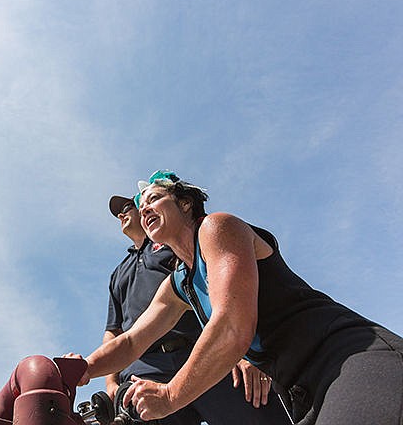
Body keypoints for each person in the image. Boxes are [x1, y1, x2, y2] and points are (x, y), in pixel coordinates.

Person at [72, 170, 403, 425]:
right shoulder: (179, 284)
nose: (145, 209)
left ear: (185, 203)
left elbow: (231, 325)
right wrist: (82, 369)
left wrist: (171, 394)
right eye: (142, 206)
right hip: (298, 390)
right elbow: (131, 343)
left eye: (155, 199)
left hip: (348, 357)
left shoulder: (217, 228)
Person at [103, 194, 290, 424]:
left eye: (128, 206)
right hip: (146, 366)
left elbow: (232, 288)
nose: (124, 214)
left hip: (203, 353)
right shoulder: (119, 273)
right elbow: (115, 332)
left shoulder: (175, 242)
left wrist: (246, 351)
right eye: (119, 213)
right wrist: (110, 381)